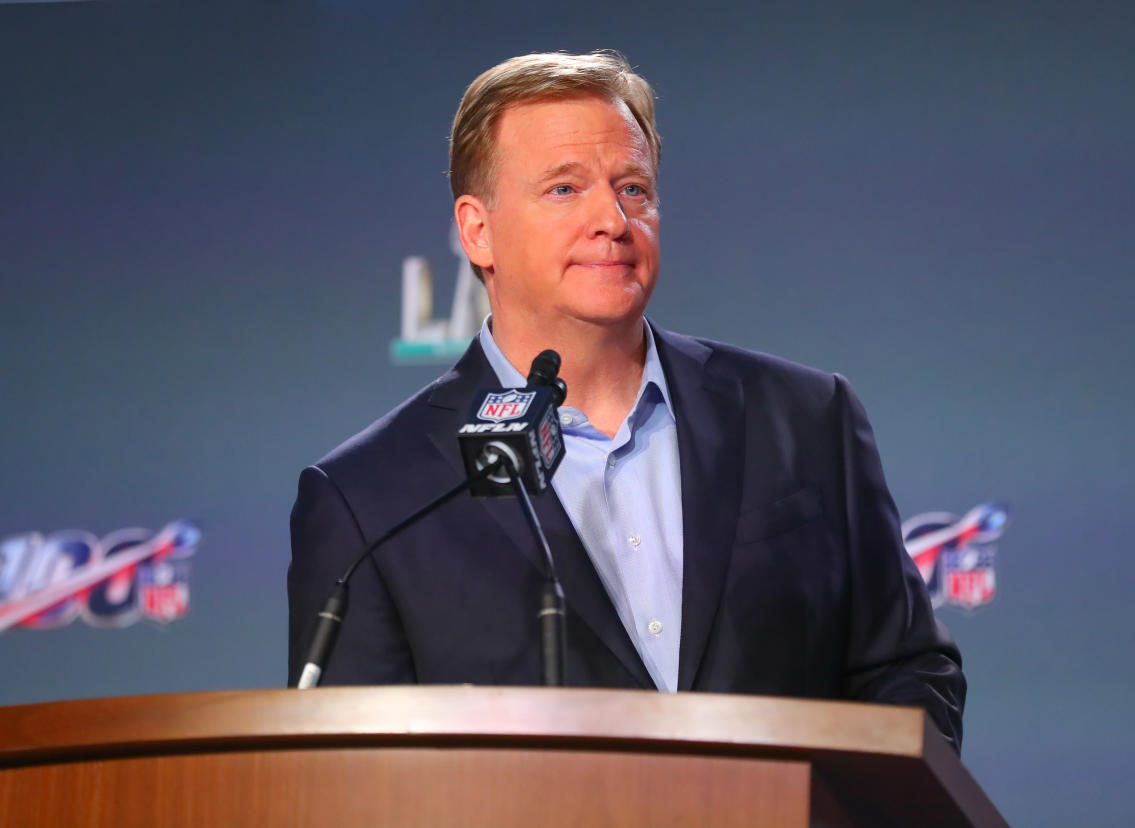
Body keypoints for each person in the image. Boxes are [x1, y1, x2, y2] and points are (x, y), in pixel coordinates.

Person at [288, 51, 965, 752]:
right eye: (564, 189)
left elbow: (908, 672)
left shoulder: (803, 419)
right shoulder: (372, 500)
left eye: (633, 189)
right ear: (476, 231)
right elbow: (354, 779)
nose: (612, 219)